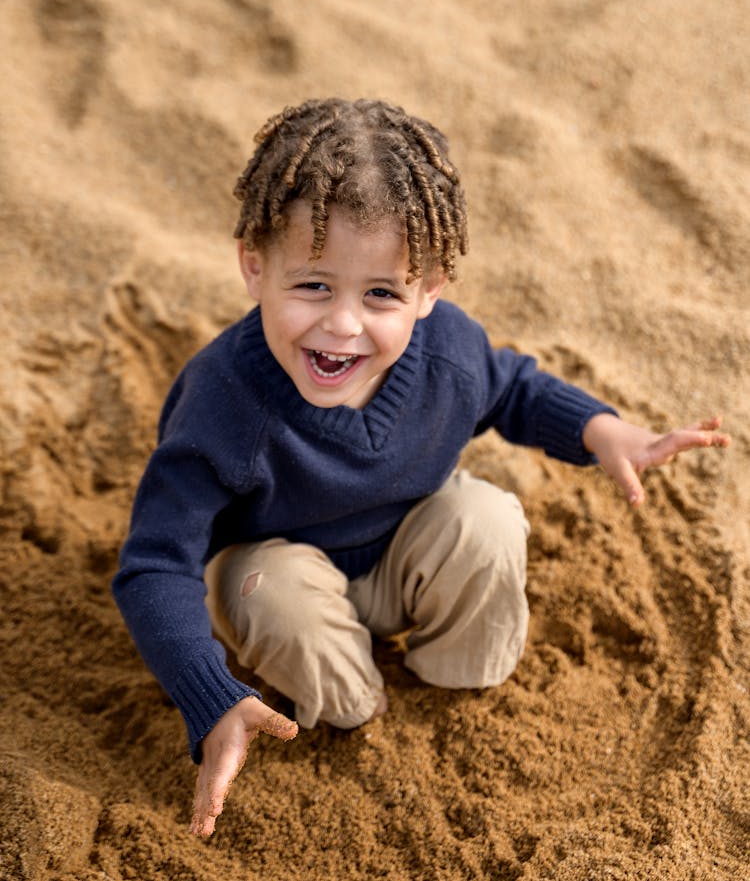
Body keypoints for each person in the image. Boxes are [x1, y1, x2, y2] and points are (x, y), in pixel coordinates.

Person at [113, 98, 730, 839]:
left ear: (429, 290)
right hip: (278, 573)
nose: (343, 324)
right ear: (254, 265)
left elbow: (515, 388)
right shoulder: (223, 401)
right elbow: (154, 563)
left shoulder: (446, 354)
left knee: (488, 516)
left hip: (403, 552)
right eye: (313, 284)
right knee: (276, 598)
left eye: (381, 293)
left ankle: (450, 673)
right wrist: (208, 694)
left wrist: (602, 430)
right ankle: (353, 703)